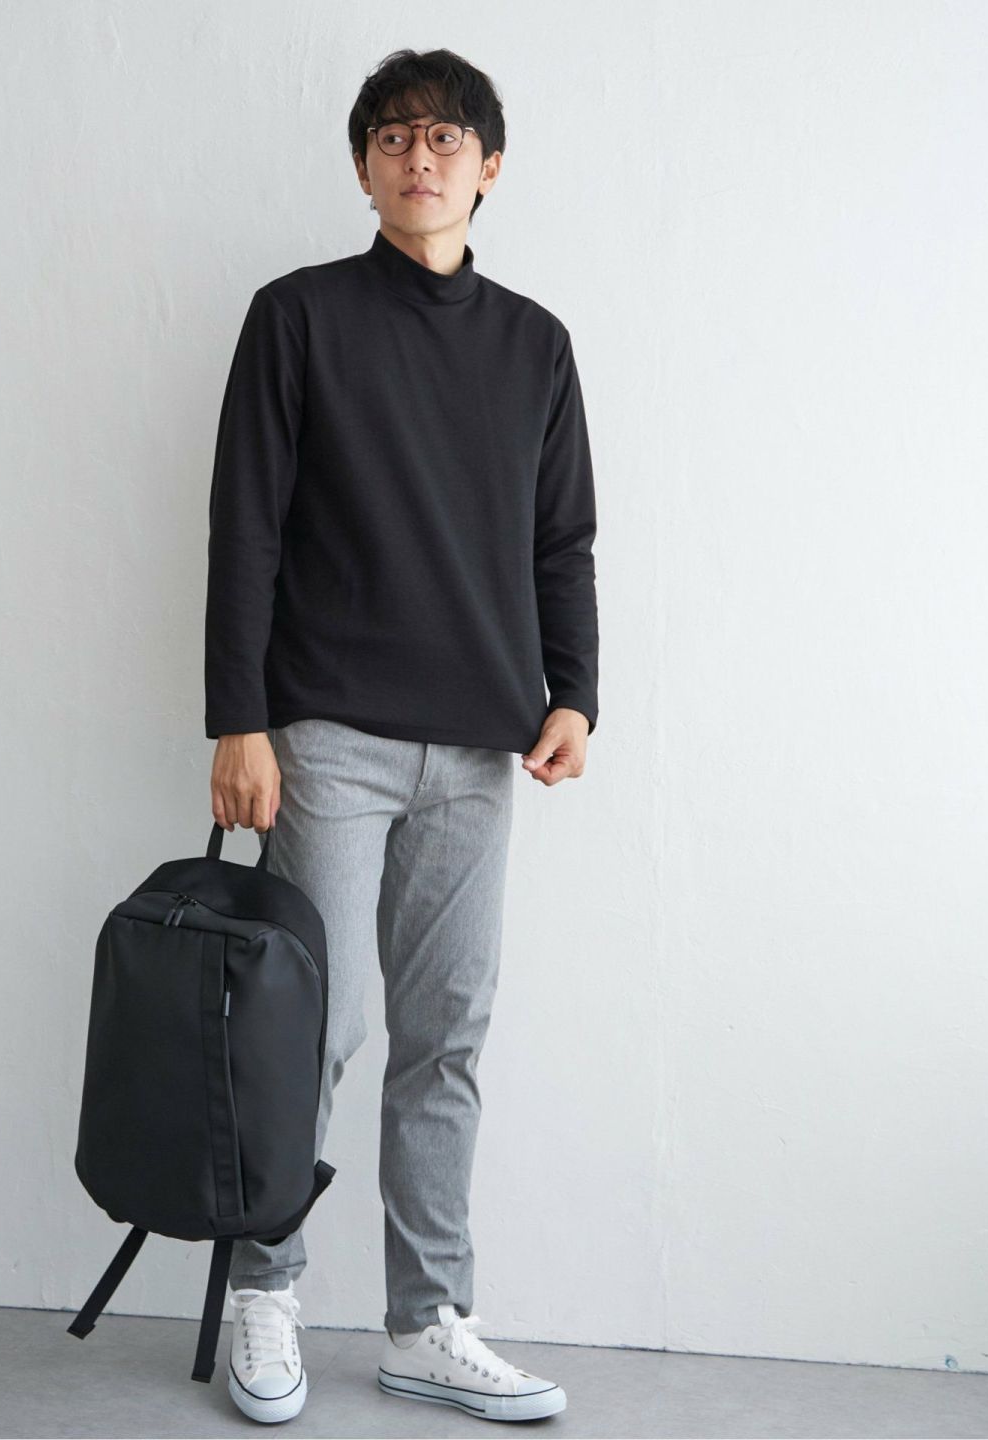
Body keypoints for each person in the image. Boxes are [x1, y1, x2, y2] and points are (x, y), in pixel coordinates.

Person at [203, 47, 598, 1425]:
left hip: (481, 747)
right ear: (365, 165)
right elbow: (244, 528)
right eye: (392, 137)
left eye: (443, 138)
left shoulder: (536, 345)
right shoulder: (297, 318)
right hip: (326, 734)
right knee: (314, 1025)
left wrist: (575, 690)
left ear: (489, 166)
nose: (418, 158)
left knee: (447, 1036)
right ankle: (265, 1292)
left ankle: (429, 1321)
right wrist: (239, 719)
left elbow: (563, 538)